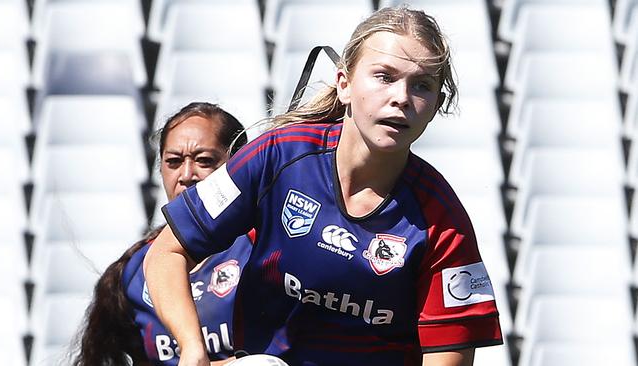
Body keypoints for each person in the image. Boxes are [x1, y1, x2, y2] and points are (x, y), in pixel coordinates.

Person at [144, 6, 503, 366]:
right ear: (344, 84)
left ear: (436, 104)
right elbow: (166, 254)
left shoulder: (444, 221)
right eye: (384, 76)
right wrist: (194, 351)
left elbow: (449, 358)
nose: (402, 97)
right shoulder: (277, 156)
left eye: (422, 85)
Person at [71, 102, 249, 365]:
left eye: (204, 161)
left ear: (241, 165)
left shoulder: (266, 249)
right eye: (173, 162)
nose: (186, 175)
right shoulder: (133, 272)